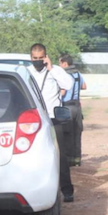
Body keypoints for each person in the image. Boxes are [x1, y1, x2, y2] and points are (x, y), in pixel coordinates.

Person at [27, 44, 75, 202]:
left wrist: (51, 68)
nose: (38, 61)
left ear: (46, 57)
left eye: (41, 58)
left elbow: (69, 85)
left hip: (53, 119)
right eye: (35, 58)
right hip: (35, 120)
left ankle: (67, 191)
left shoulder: (55, 71)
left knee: (59, 156)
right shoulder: (26, 73)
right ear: (31, 58)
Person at [59, 54, 87, 167]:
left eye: (60, 63)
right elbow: (84, 86)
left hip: (67, 107)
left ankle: (68, 160)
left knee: (67, 134)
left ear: (65, 63)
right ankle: (77, 159)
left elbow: (63, 92)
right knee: (77, 133)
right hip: (77, 107)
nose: (59, 65)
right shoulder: (78, 74)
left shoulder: (63, 75)